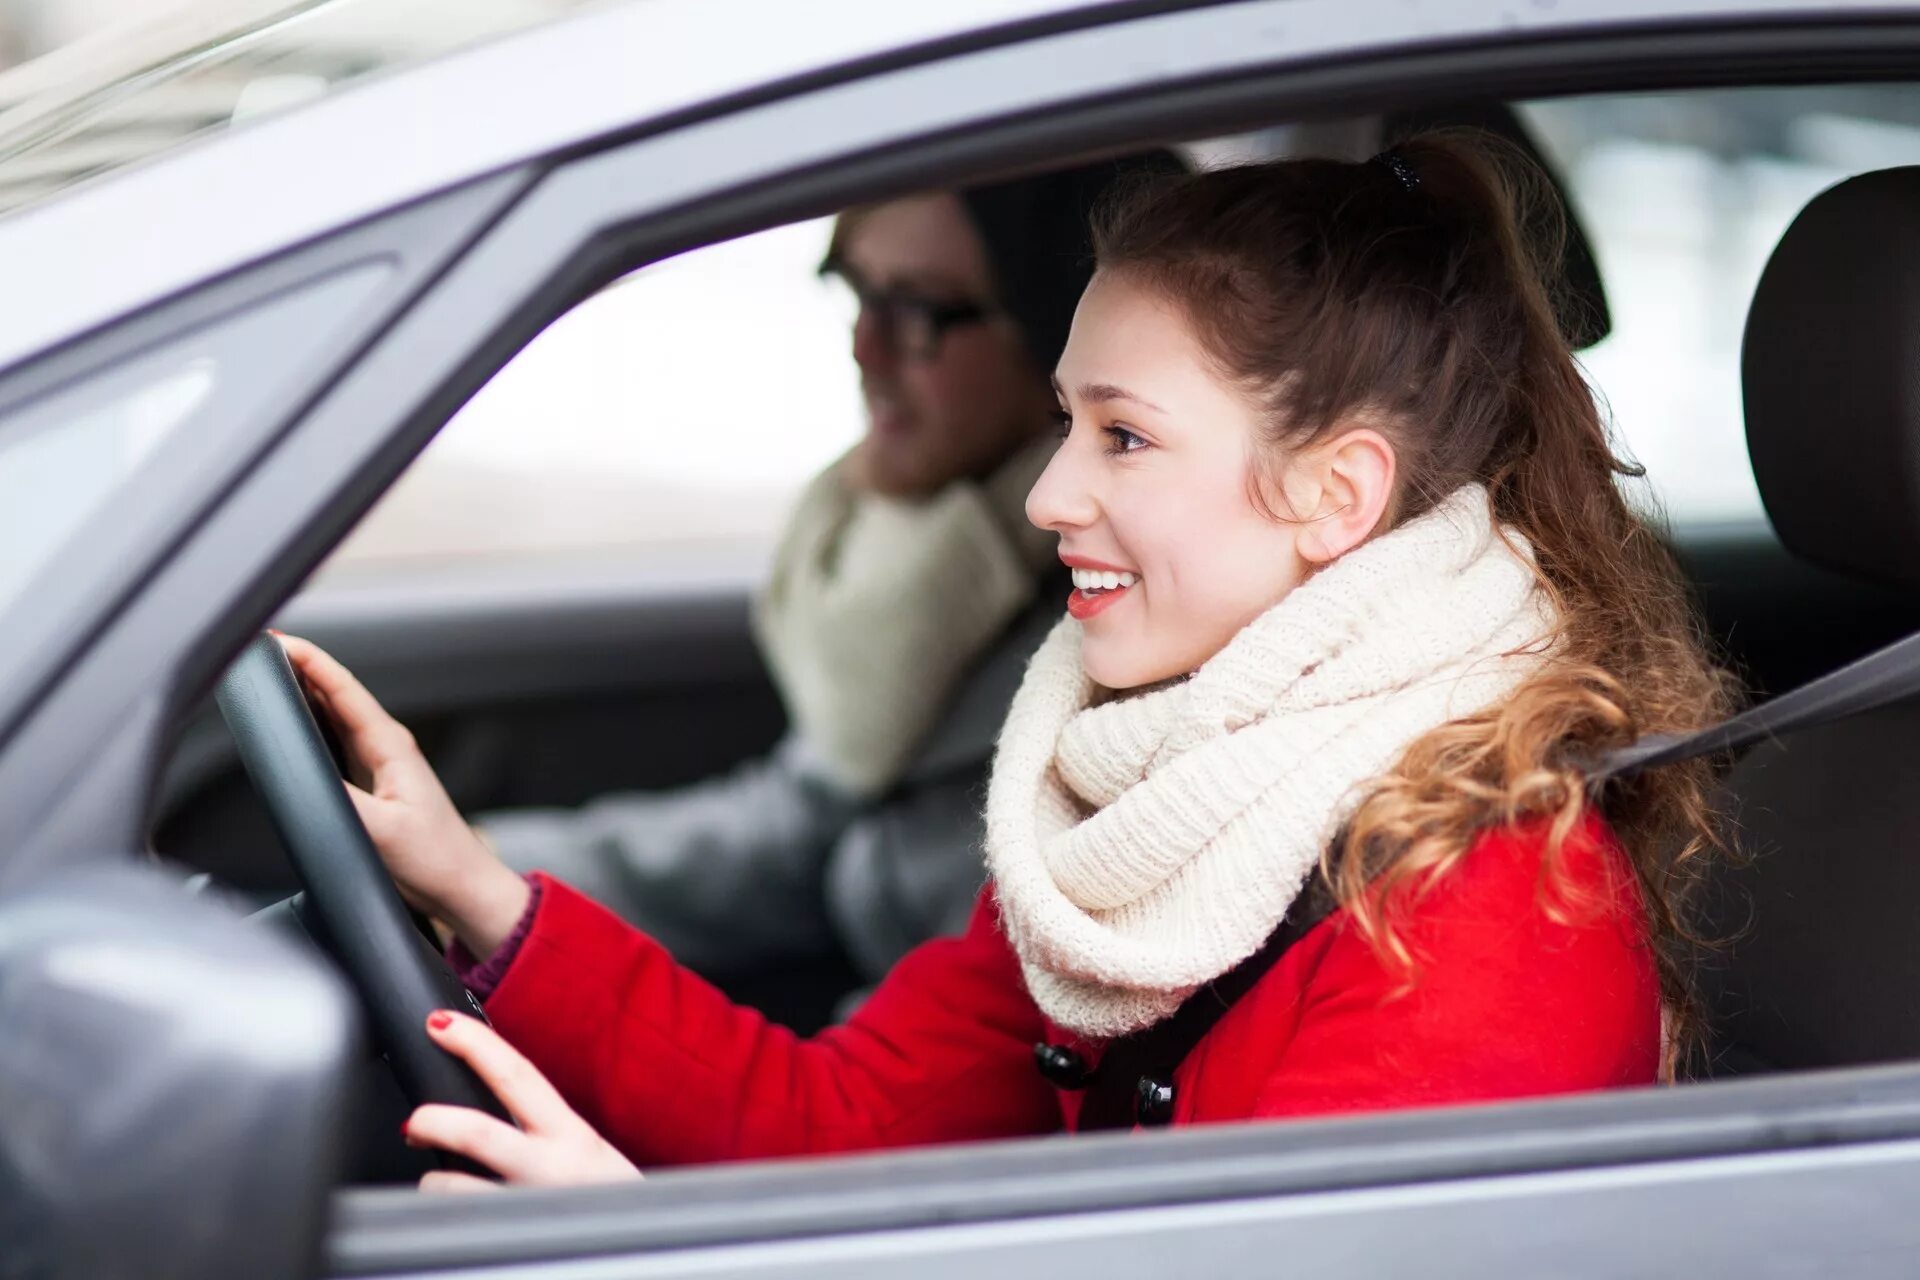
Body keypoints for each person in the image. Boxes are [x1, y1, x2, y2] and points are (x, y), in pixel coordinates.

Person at [282, 131, 1733, 1191]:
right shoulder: (1147, 803)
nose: (1049, 496)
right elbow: (838, 1120)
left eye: (1123, 435)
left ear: (1333, 496)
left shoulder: (1492, 916)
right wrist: (476, 890)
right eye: (1065, 423)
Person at [473, 156, 1182, 997]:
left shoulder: (1125, 628)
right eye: (858, 292)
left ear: (1066, 339)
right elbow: (795, 831)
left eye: (918, 308)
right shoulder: (924, 571)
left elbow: (955, 1060)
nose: (865, 346)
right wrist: (481, 870)